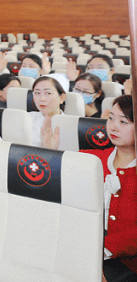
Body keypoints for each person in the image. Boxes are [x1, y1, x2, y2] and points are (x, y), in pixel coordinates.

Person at [42, 95, 136, 281]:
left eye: (123, 122)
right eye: (111, 118)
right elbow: (58, 190)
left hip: (127, 261)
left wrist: (98, 252)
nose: (113, 126)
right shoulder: (91, 159)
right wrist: (50, 153)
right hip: (88, 247)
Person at [30, 75, 67, 147]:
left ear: (62, 97)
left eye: (48, 93)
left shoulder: (71, 125)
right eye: (37, 93)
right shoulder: (26, 119)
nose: (42, 99)